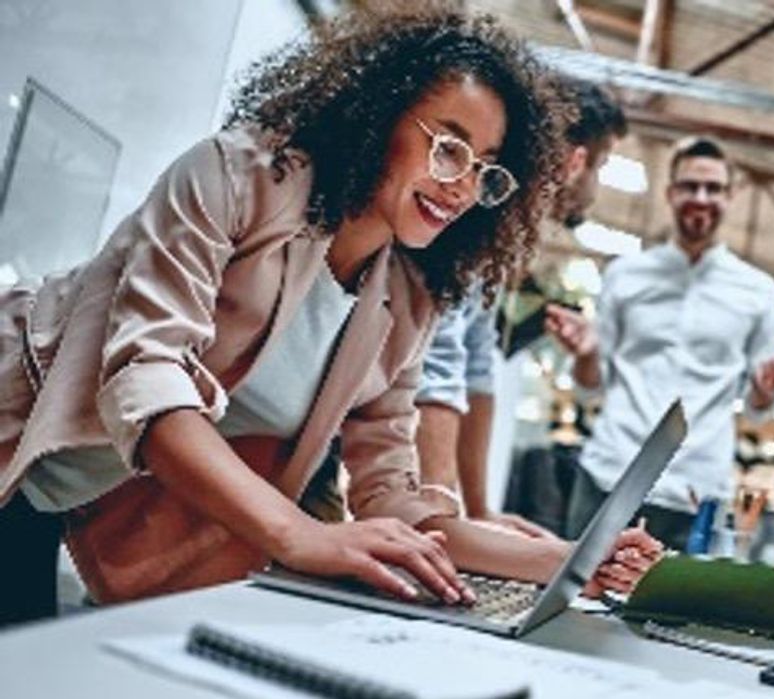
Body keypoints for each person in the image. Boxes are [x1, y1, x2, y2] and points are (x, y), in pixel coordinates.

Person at [0, 7, 658, 627]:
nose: (462, 186)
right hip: (15, 440)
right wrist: (300, 534)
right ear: (380, 114)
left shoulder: (408, 298)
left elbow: (393, 496)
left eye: (486, 170)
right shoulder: (237, 176)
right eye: (449, 148)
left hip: (87, 500)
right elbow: (148, 380)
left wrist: (570, 559)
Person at [546, 136, 774, 550]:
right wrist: (587, 355)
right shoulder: (625, 275)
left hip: (697, 489)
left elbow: (759, 411)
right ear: (669, 193)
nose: (701, 198)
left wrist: (765, 388)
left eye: (714, 188)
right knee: (577, 588)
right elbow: (589, 387)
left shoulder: (759, 292)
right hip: (611, 475)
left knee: (678, 595)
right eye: (689, 186)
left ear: (730, 197)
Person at [412, 78, 628, 540]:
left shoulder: (503, 237)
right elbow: (439, 365)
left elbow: (476, 366)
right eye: (602, 166)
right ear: (576, 162)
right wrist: (444, 517)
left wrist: (479, 511)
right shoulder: (472, 217)